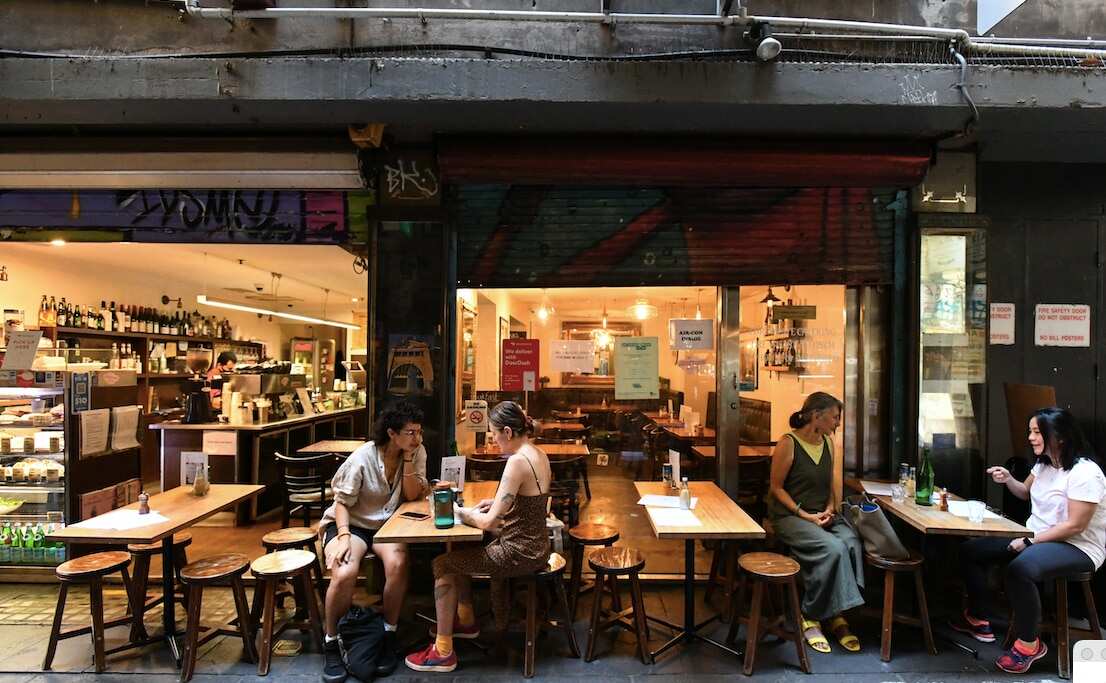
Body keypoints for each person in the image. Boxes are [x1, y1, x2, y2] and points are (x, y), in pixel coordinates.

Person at [952, 407, 1106, 674]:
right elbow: (1025, 492)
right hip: (1035, 537)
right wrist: (1008, 479)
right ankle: (978, 617)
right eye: (1031, 431)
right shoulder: (1044, 464)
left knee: (1021, 568)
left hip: (1077, 547)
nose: (1031, 437)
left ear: (1059, 436)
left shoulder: (1085, 473)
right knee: (970, 550)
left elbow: (1075, 525)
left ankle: (1029, 643)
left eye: (1037, 432)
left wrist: (1029, 542)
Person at [405, 401, 552, 673]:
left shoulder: (517, 462)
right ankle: (466, 620)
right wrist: (493, 502)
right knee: (460, 553)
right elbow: (528, 502)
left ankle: (443, 652)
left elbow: (488, 522)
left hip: (519, 552)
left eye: (494, 433)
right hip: (537, 546)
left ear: (508, 431)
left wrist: (459, 512)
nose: (493, 440)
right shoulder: (538, 454)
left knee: (443, 564)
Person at [320, 402, 429, 683]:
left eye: (418, 432)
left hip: (386, 526)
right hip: (350, 524)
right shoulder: (363, 457)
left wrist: (407, 460)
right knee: (344, 572)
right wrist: (343, 536)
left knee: (398, 563)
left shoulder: (415, 453)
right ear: (392, 433)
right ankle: (331, 641)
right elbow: (341, 503)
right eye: (410, 433)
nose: (417, 438)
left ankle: (388, 633)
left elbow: (412, 495)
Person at [768, 391, 864, 654]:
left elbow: (831, 482)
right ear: (816, 416)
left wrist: (831, 507)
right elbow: (776, 488)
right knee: (832, 549)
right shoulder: (789, 443)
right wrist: (804, 515)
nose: (837, 423)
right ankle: (811, 615)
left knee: (851, 541)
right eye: (834, 417)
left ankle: (834, 612)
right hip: (790, 516)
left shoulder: (828, 443)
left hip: (820, 513)